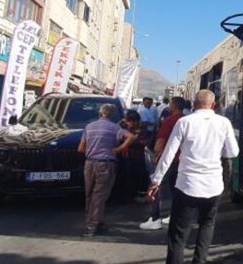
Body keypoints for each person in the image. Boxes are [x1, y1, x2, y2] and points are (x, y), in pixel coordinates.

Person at [147, 90, 239, 264]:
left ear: (194, 104)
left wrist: (156, 181)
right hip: (213, 186)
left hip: (187, 186)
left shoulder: (184, 122)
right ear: (213, 104)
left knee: (178, 238)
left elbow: (168, 154)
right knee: (207, 224)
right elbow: (233, 152)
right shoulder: (223, 122)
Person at [78, 104, 135, 237]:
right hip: (105, 164)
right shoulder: (115, 128)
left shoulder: (89, 127)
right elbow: (131, 137)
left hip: (89, 163)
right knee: (100, 195)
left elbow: (80, 148)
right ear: (112, 115)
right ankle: (92, 226)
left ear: (99, 113)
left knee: (90, 194)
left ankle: (95, 221)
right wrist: (118, 149)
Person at [140, 96, 187, 230]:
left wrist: (155, 156)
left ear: (173, 106)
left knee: (156, 186)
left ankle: (155, 218)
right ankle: (174, 215)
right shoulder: (187, 120)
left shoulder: (170, 120)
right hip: (182, 161)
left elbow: (160, 141)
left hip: (168, 160)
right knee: (177, 190)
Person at [118, 110, 151, 201]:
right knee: (126, 177)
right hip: (125, 158)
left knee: (139, 176)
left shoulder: (143, 131)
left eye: (134, 121)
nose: (132, 123)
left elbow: (144, 142)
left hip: (138, 158)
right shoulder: (123, 130)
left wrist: (131, 141)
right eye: (129, 121)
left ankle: (140, 194)